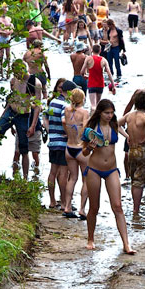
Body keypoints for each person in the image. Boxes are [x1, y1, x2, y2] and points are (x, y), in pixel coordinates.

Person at [81, 99, 135, 254]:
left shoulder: (114, 124)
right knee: (94, 207)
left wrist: (128, 137)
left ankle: (126, 244)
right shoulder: (91, 128)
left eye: (112, 112)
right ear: (99, 112)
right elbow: (84, 152)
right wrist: (89, 148)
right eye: (106, 113)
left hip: (111, 169)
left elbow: (123, 128)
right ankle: (90, 238)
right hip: (94, 169)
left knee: (117, 206)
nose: (110, 115)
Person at [0, 59, 42, 179]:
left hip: (23, 116)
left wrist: (33, 125)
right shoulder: (14, 80)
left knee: (24, 148)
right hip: (10, 112)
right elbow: (12, 97)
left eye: (17, 73)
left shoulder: (35, 83)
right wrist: (3, 115)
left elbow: (38, 106)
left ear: (23, 70)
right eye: (14, 73)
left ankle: (25, 178)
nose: (16, 76)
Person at [118, 90, 145, 214]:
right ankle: (136, 209)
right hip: (142, 149)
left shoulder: (129, 115)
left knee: (134, 179)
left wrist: (127, 135)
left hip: (132, 149)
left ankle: (134, 206)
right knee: (140, 180)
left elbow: (116, 124)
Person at [62, 88, 90, 219]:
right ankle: (82, 209)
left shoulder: (67, 110)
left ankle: (67, 206)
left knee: (72, 178)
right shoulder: (84, 112)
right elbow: (85, 129)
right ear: (82, 99)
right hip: (80, 149)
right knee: (86, 179)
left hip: (69, 147)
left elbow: (64, 122)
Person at [43, 79, 71, 209]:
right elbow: (64, 121)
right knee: (63, 173)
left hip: (53, 140)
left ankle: (52, 200)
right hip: (62, 142)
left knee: (53, 172)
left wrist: (50, 131)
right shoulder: (65, 105)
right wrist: (69, 134)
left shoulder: (53, 101)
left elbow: (46, 118)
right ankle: (65, 202)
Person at [82, 43, 115, 110]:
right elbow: (109, 74)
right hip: (100, 84)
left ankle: (92, 118)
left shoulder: (88, 58)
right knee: (97, 105)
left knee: (93, 105)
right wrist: (113, 86)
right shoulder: (104, 60)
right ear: (100, 51)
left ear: (92, 50)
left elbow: (82, 71)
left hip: (91, 84)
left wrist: (85, 76)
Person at [0, 3, 13, 79]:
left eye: (5, 9)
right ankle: (1, 66)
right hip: (2, 37)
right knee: (1, 53)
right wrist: (3, 32)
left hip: (8, 37)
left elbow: (12, 27)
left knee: (8, 53)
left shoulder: (9, 18)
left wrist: (10, 32)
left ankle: (8, 66)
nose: (5, 10)